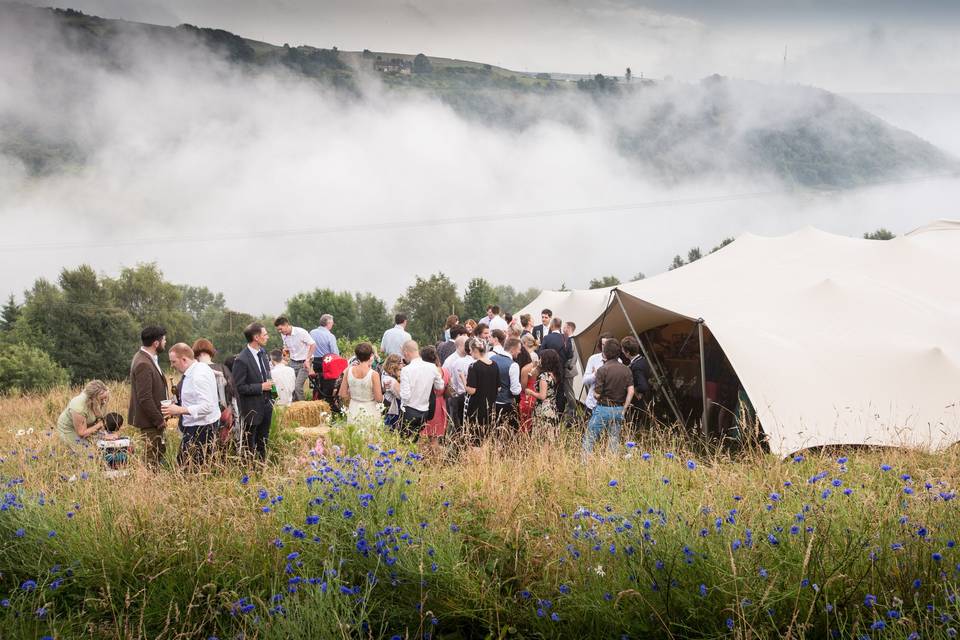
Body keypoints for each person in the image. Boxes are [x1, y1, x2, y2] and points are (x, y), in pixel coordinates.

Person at [163, 343, 220, 468]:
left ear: (184, 359)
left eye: (173, 362)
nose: (172, 365)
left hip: (200, 429)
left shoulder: (198, 376)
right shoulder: (199, 368)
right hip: (198, 426)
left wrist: (179, 410)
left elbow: (208, 406)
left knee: (187, 470)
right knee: (192, 468)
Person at [583, 339, 634, 456]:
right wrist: (624, 408)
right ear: (619, 352)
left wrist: (596, 396)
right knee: (614, 440)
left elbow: (597, 394)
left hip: (603, 408)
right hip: (619, 409)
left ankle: (584, 465)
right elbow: (631, 391)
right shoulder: (626, 369)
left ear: (605, 353)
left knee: (589, 438)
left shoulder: (602, 370)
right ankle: (613, 464)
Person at [231, 322, 274, 461]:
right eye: (265, 334)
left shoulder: (263, 354)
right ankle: (249, 473)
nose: (267, 337)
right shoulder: (242, 359)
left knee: (263, 442)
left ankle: (261, 470)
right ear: (256, 337)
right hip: (251, 409)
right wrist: (260, 387)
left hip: (266, 406)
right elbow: (238, 387)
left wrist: (273, 396)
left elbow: (267, 376)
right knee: (250, 444)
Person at [128, 325, 169, 467]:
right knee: (150, 460)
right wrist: (159, 420)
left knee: (157, 456)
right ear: (155, 343)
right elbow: (144, 397)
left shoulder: (147, 358)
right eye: (164, 340)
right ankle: (147, 487)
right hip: (150, 422)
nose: (165, 342)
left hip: (153, 421)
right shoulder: (143, 363)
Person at [192, 338, 236, 442]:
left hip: (202, 417)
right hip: (224, 415)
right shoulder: (223, 368)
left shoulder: (194, 370)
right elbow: (233, 392)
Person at [398, 340, 444, 439]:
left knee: (404, 442)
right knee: (416, 439)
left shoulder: (406, 370)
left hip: (410, 410)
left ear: (406, 352)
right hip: (425, 411)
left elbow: (405, 395)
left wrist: (402, 406)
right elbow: (440, 386)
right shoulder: (432, 367)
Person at [56, 379, 114, 447]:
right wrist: (100, 425)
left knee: (105, 445)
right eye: (101, 399)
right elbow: (81, 433)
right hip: (69, 429)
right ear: (92, 398)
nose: (104, 402)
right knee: (88, 452)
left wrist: (105, 435)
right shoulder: (79, 406)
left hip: (87, 426)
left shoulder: (100, 400)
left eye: (105, 398)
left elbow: (99, 419)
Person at [340, 342, 384, 425]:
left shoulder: (348, 371)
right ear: (371, 355)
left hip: (353, 408)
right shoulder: (374, 374)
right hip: (370, 410)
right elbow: (379, 399)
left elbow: (342, 394)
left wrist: (353, 396)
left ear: (356, 356)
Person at [274, 317, 316, 402]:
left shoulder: (301, 332)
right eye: (278, 330)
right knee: (290, 386)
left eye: (280, 329)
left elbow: (313, 345)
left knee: (297, 386)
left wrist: (307, 360)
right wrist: (285, 355)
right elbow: (286, 347)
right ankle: (293, 408)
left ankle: (303, 408)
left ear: (286, 325)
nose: (280, 331)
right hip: (293, 361)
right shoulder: (283, 334)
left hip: (304, 362)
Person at [464, 337, 498, 439]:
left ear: (475, 350)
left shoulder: (473, 366)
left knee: (475, 438)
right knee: (486, 437)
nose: (470, 353)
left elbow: (471, 390)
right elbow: (498, 387)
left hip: (477, 407)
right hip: (490, 406)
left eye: (470, 350)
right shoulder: (494, 364)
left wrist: (463, 379)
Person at [488, 330, 521, 427]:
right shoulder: (513, 365)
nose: (519, 352)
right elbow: (514, 390)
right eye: (519, 349)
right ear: (513, 349)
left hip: (491, 403)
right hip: (506, 404)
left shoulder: (491, 358)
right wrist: (521, 387)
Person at [420, 345, 450, 441]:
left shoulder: (425, 372)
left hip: (428, 403)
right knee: (435, 437)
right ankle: (438, 456)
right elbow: (448, 387)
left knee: (423, 437)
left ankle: (425, 456)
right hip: (441, 404)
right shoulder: (444, 370)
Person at [442, 334, 471, 429]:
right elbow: (446, 379)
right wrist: (454, 395)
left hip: (468, 396)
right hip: (455, 397)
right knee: (455, 422)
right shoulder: (450, 361)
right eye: (466, 344)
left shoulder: (470, 359)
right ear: (460, 346)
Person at [621, 336, 652, 422]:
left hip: (637, 403)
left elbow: (643, 386)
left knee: (635, 425)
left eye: (623, 350)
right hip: (641, 401)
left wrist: (634, 389)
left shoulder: (636, 366)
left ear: (627, 352)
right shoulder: (642, 360)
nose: (622, 352)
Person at [526, 348, 561, 424]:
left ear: (545, 360)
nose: (539, 360)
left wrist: (530, 392)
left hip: (543, 409)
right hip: (552, 407)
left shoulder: (544, 376)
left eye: (540, 358)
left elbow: (542, 396)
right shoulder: (553, 374)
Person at [582, 332, 614, 416]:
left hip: (609, 405)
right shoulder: (593, 359)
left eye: (607, 345)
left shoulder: (618, 361)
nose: (605, 348)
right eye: (603, 345)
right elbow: (585, 381)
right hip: (592, 404)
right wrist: (595, 375)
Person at [518, 336, 540, 432]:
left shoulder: (525, 368)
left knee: (524, 419)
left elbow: (523, 386)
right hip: (534, 391)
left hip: (526, 393)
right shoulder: (536, 365)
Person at [380, 354, 404, 428]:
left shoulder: (385, 374)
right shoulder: (391, 380)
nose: (403, 365)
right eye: (401, 363)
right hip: (392, 411)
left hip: (389, 408)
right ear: (395, 365)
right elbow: (401, 395)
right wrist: (400, 377)